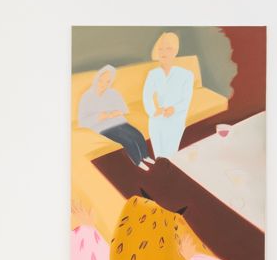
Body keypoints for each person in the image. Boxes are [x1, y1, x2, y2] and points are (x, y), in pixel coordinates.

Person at [77, 64, 152, 168]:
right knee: (128, 141)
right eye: (101, 81)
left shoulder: (113, 93)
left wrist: (117, 112)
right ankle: (138, 162)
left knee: (138, 135)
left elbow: (124, 109)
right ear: (96, 79)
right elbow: (82, 121)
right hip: (102, 126)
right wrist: (99, 117)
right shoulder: (87, 97)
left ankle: (145, 156)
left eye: (107, 82)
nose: (103, 84)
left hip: (117, 121)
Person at [140, 31, 195, 166]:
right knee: (159, 155)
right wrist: (153, 111)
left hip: (176, 117)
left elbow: (186, 100)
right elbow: (146, 96)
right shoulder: (153, 74)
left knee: (171, 155)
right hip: (157, 117)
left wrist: (173, 109)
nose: (163, 52)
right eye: (160, 49)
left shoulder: (186, 75)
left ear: (175, 51)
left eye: (168, 48)